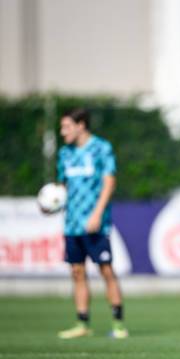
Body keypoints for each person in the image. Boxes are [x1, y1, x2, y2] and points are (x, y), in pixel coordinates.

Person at [55, 108, 128, 339]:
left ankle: (118, 324)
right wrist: (51, 203)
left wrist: (97, 214)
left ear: (81, 125)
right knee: (77, 271)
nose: (62, 132)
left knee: (106, 270)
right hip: (72, 223)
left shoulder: (101, 148)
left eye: (66, 126)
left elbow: (109, 183)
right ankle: (82, 323)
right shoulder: (64, 153)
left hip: (96, 223)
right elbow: (62, 187)